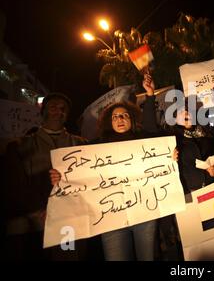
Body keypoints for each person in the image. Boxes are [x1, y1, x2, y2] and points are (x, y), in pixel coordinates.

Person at [50, 72, 170, 261]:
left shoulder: (143, 140)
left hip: (144, 215)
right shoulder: (96, 147)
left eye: (124, 115)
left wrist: (169, 156)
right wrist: (62, 177)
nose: (120, 119)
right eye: (115, 117)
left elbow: (152, 129)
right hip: (112, 220)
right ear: (109, 121)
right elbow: (80, 172)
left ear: (131, 119)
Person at [2, 93, 88, 260]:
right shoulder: (19, 145)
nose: (58, 111)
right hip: (32, 223)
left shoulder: (80, 144)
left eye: (63, 109)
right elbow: (13, 186)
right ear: (43, 111)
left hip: (68, 223)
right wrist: (38, 209)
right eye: (53, 107)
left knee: (67, 255)